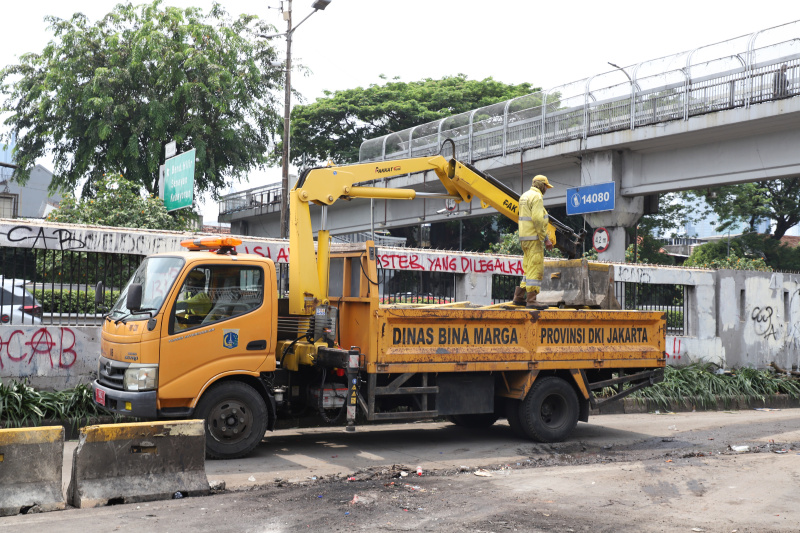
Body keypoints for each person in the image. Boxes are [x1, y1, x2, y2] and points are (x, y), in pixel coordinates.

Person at [513, 175, 554, 308]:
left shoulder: (524, 196)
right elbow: (537, 220)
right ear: (542, 186)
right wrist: (545, 239)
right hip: (534, 238)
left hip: (524, 238)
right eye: (546, 187)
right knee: (536, 268)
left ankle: (519, 297)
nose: (546, 190)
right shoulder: (537, 197)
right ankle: (531, 300)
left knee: (528, 268)